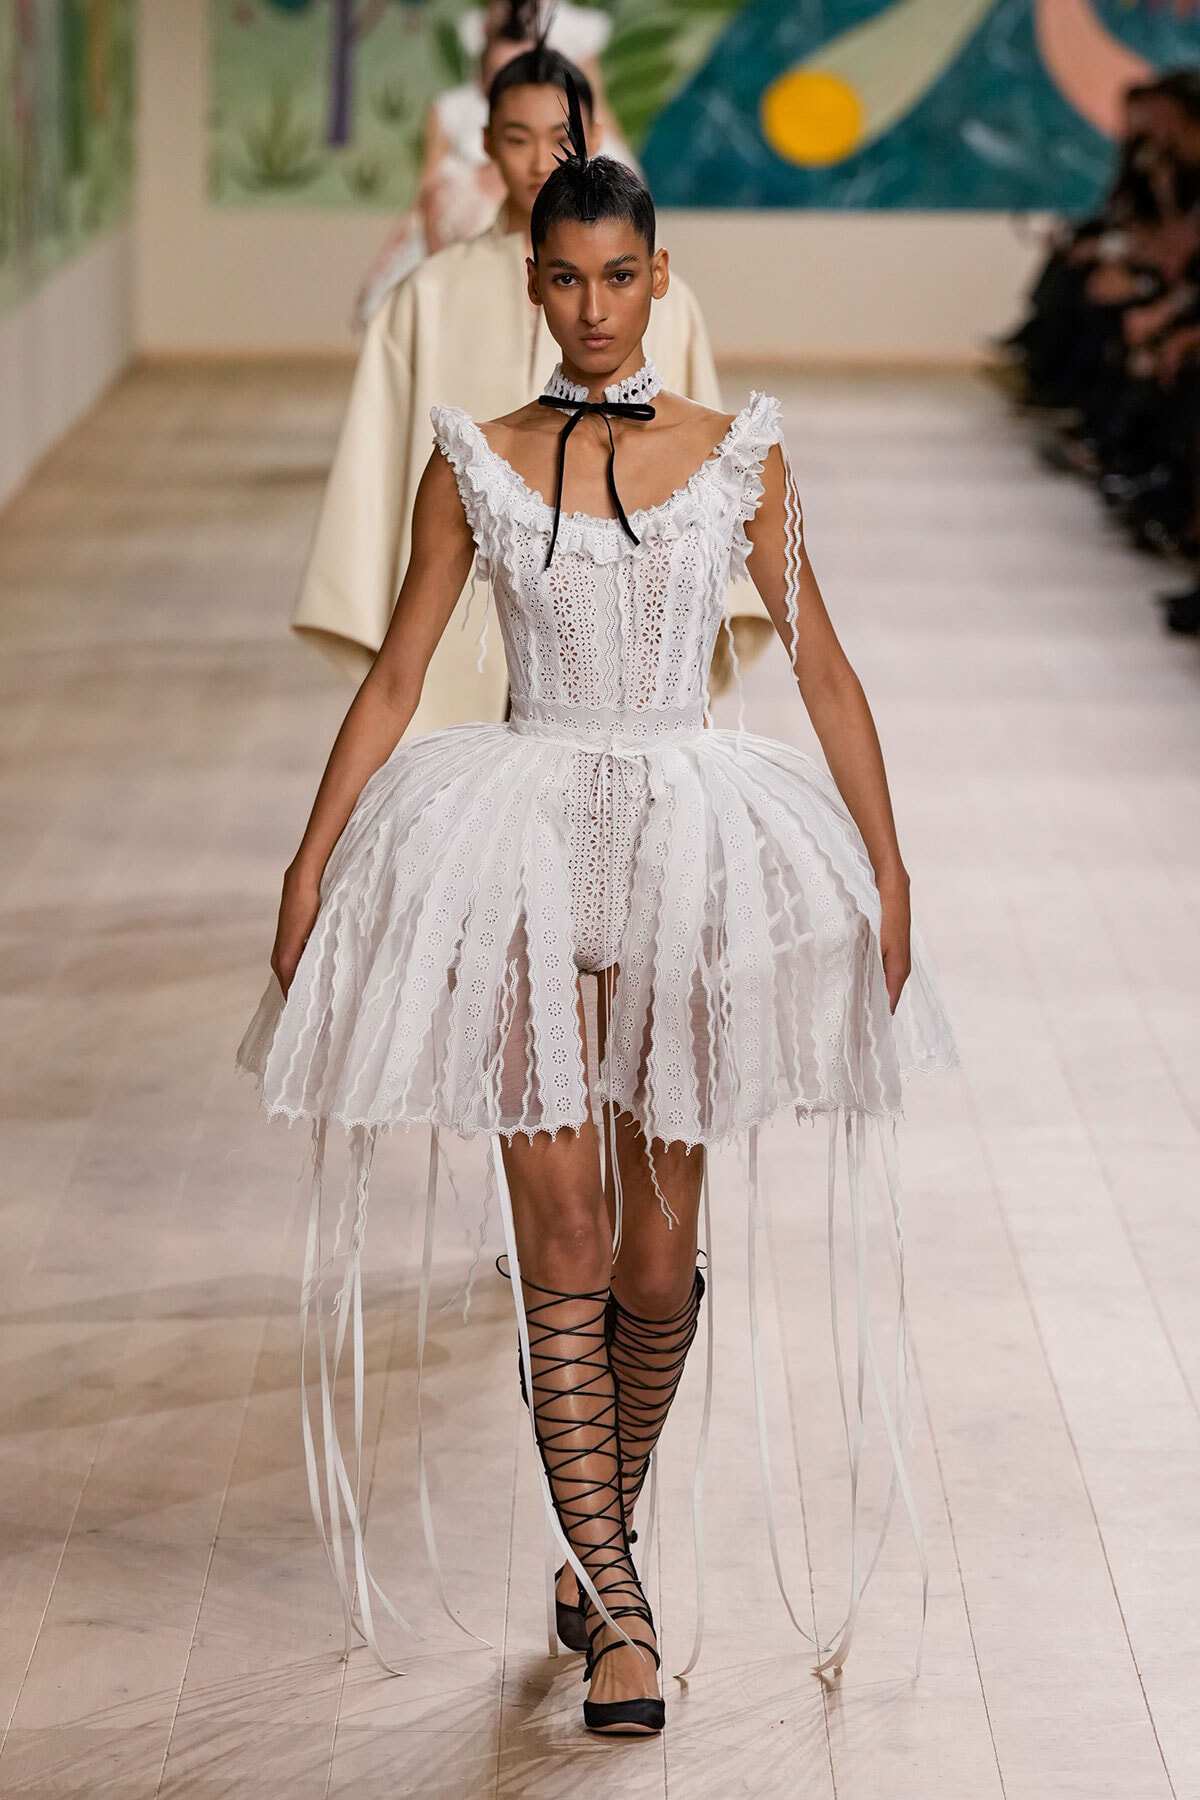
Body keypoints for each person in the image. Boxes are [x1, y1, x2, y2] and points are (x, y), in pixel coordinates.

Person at [239, 83, 957, 1738]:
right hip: (518, 847)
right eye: (563, 281)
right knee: (561, 1242)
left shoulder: (741, 456)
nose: (590, 306)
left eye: (618, 277)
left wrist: (889, 865)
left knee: (656, 1259)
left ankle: (597, 1530)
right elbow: (404, 672)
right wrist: (309, 857)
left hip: (693, 849)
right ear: (537, 288)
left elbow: (826, 667)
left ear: (655, 277)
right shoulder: (472, 464)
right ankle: (622, 1612)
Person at [295, 46, 772, 719]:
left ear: (595, 139)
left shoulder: (671, 300)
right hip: (450, 605)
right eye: (517, 139)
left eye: (561, 138)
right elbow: (374, 461)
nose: (538, 159)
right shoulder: (426, 295)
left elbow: (703, 474)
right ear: (485, 143)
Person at [354, 0, 631, 329]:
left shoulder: (573, 134)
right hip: (469, 244)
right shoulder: (454, 114)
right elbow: (426, 195)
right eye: (516, 140)